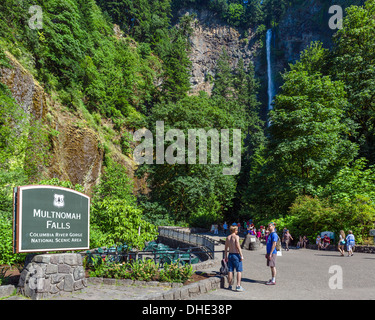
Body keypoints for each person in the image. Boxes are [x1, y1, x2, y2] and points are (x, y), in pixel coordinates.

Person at [224, 225, 245, 292]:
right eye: (237, 230)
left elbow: (225, 248)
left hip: (230, 255)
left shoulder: (228, 237)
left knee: (230, 270)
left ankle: (230, 285)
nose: (237, 231)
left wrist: (225, 256)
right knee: (239, 270)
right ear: (235, 230)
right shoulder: (236, 237)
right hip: (236, 255)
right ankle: (238, 286)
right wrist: (241, 255)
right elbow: (238, 246)